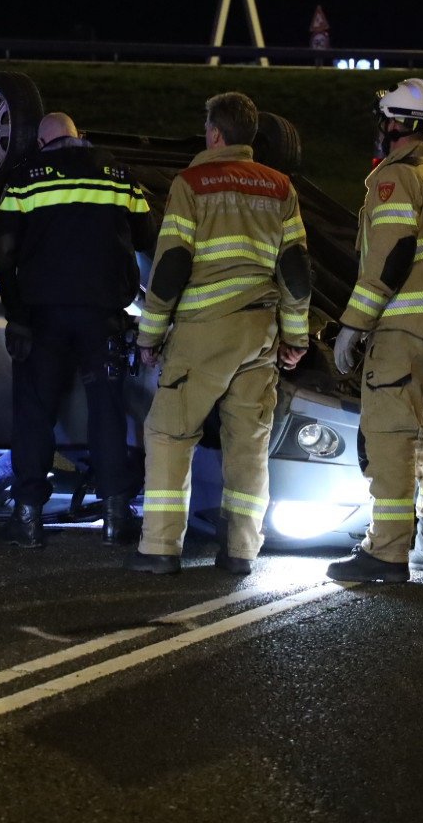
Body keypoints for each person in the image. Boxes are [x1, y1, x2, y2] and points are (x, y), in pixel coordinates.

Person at [129, 92, 311, 576]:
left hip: (204, 331)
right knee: (248, 445)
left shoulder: (191, 184)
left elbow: (171, 264)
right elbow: (295, 271)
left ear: (214, 133)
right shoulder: (281, 188)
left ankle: (160, 548)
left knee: (169, 434)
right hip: (259, 331)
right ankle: (241, 551)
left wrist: (150, 334)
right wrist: (296, 338)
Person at [0, 111, 155, 548]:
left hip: (41, 318)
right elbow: (146, 236)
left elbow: (2, 254)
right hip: (103, 316)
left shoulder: (24, 180)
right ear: (78, 135)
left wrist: (16, 316)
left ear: (42, 143)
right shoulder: (119, 175)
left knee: (34, 414)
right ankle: (116, 517)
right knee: (107, 410)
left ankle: (27, 518)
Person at [326, 78, 423, 583]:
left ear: (394, 125)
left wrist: (352, 327)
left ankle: (386, 553)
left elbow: (390, 258)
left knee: (391, 440)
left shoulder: (394, 180)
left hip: (402, 335)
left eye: (383, 120)